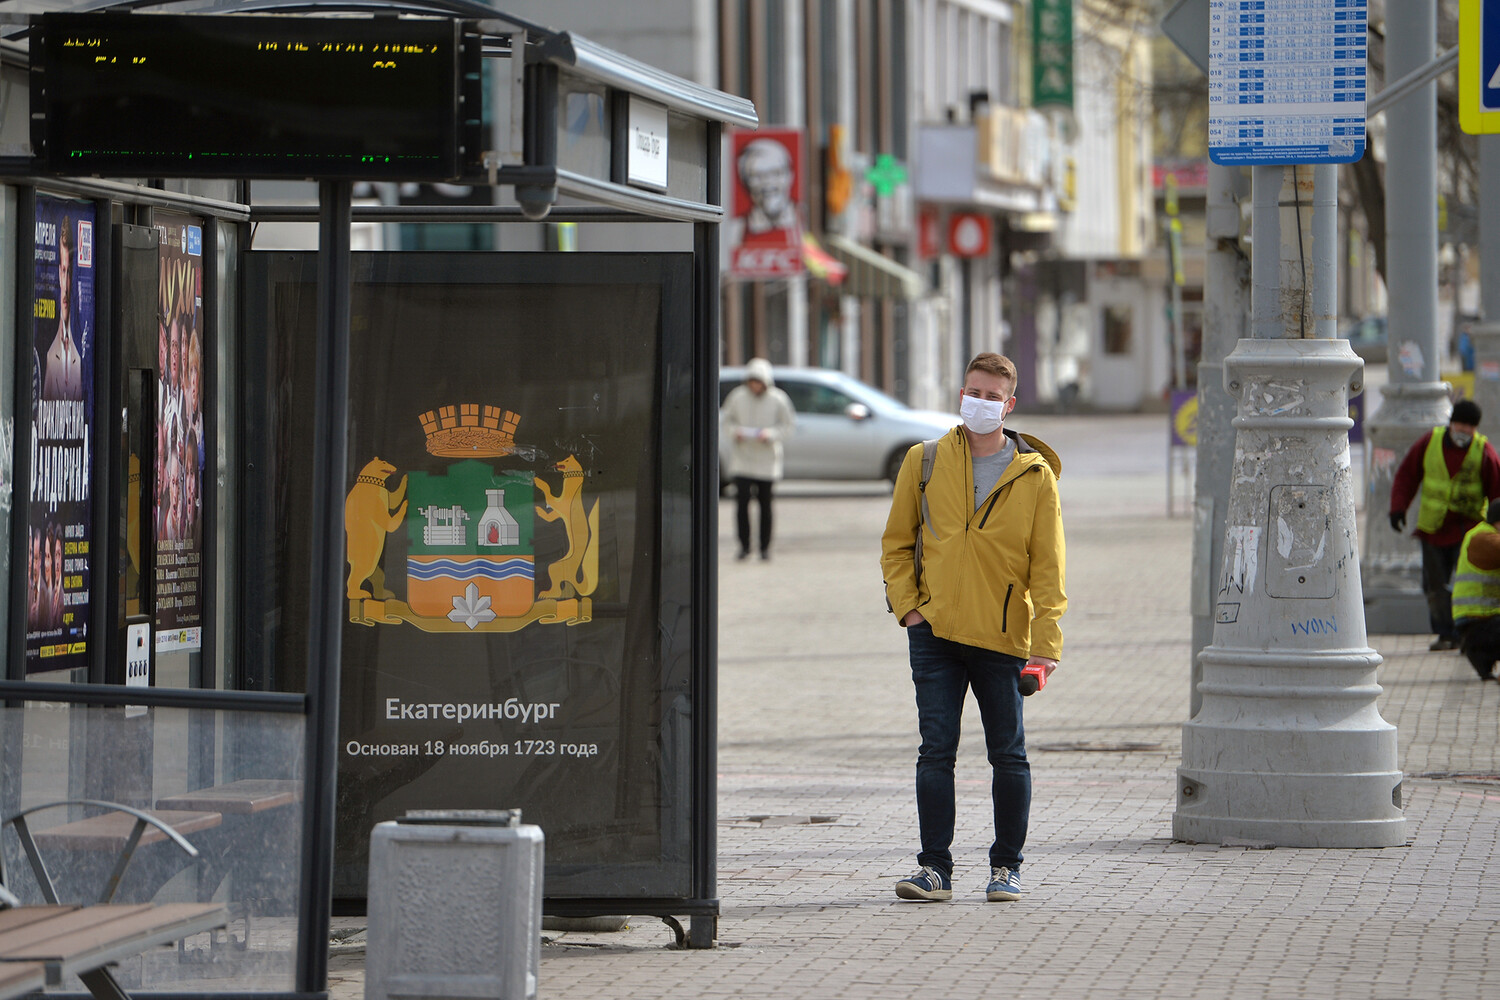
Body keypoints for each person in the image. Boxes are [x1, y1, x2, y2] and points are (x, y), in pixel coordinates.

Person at [880, 352, 1065, 903]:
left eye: (991, 397)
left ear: (1009, 405)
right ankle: (934, 869)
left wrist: (1045, 648)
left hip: (1002, 639)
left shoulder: (1035, 477)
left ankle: (1006, 868)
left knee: (1007, 754)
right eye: (972, 392)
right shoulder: (926, 459)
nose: (978, 403)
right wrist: (910, 609)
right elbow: (896, 543)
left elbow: (1049, 569)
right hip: (933, 634)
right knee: (935, 752)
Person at [1389, 399, 1500, 651]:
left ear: (1475, 429)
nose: (1463, 431)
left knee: (1469, 583)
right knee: (1435, 586)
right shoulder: (1430, 443)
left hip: (1468, 531)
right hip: (1433, 530)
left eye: (1469, 427)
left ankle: (1467, 632)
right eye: (1460, 424)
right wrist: (1398, 507)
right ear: (1451, 423)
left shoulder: (1484, 452)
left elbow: (1497, 493)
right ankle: (1445, 633)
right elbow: (1407, 475)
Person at [720, 357, 796, 561]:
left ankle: (765, 547)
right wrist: (735, 432)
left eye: (758, 382)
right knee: (742, 504)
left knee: (765, 504)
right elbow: (726, 420)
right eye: (752, 382)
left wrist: (770, 434)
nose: (755, 386)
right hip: (743, 458)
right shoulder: (737, 397)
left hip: (767, 459)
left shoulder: (778, 399)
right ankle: (744, 546)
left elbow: (788, 425)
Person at [1452, 499, 1500, 681]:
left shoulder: (1481, 533)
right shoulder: (1484, 538)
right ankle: (1480, 653)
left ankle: (1483, 659)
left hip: (1483, 622)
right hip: (1478, 625)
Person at [42, 217, 83, 401]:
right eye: (64, 271)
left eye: (70, 274)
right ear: (59, 273)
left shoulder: (79, 358)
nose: (66, 285)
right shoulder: (49, 356)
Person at [737, 138, 799, 236]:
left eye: (775, 173)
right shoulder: (736, 231)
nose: (767, 182)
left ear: (790, 176)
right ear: (745, 181)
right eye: (757, 175)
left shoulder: (804, 220)